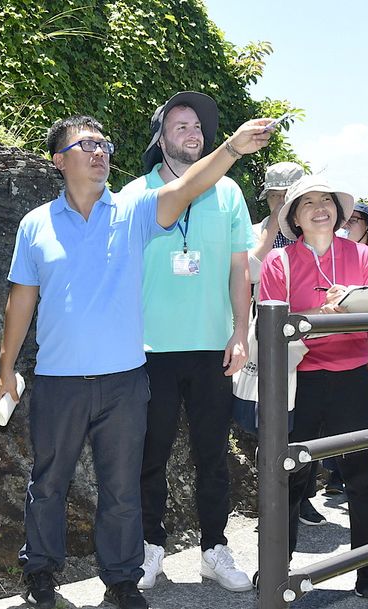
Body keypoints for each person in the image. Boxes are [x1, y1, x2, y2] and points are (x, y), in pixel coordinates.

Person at [0, 113, 272, 609]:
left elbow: (187, 186)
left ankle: (122, 579)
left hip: (125, 379)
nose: (100, 152)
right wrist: (5, 369)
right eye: (86, 145)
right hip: (58, 379)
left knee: (122, 486)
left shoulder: (133, 210)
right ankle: (40, 572)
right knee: (49, 482)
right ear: (60, 161)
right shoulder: (35, 224)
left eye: (105, 143)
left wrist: (230, 147)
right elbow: (21, 300)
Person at [119, 92, 254, 592]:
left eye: (197, 125)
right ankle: (150, 546)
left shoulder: (231, 194)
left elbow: (240, 268)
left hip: (211, 346)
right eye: (179, 125)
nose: (191, 132)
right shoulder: (135, 194)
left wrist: (241, 331)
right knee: (149, 453)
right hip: (149, 349)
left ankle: (214, 548)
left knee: (213, 453)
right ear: (160, 137)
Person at [258, 174, 368, 598]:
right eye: (307, 201)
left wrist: (348, 307)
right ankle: (277, 565)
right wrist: (320, 312)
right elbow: (273, 327)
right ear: (293, 215)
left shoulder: (363, 255)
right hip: (299, 380)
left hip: (352, 377)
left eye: (326, 200)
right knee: (291, 476)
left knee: (360, 475)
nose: (319, 207)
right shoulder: (279, 261)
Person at [247, 161, 327, 526]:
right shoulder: (254, 232)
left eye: (287, 196)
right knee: (272, 425)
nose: (280, 203)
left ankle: (302, 497)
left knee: (306, 428)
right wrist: (269, 235)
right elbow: (249, 272)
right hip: (269, 341)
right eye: (275, 196)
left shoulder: (316, 235)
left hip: (311, 344)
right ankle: (271, 503)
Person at [323, 202, 368, 495]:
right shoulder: (327, 256)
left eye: (357, 219)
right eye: (347, 218)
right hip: (334, 350)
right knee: (333, 414)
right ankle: (334, 475)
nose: (349, 224)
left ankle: (367, 473)